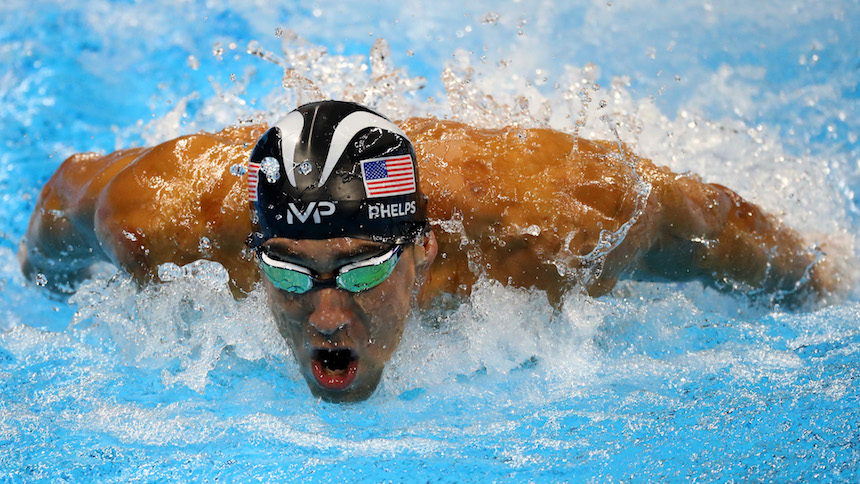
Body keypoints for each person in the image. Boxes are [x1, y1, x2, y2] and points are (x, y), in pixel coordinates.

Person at [20, 100, 840, 401]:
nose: (328, 313)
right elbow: (60, 199)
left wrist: (822, 283)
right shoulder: (155, 223)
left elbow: (715, 223)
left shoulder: (555, 229)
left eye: (365, 267)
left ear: (425, 253)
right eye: (289, 270)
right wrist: (43, 294)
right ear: (253, 247)